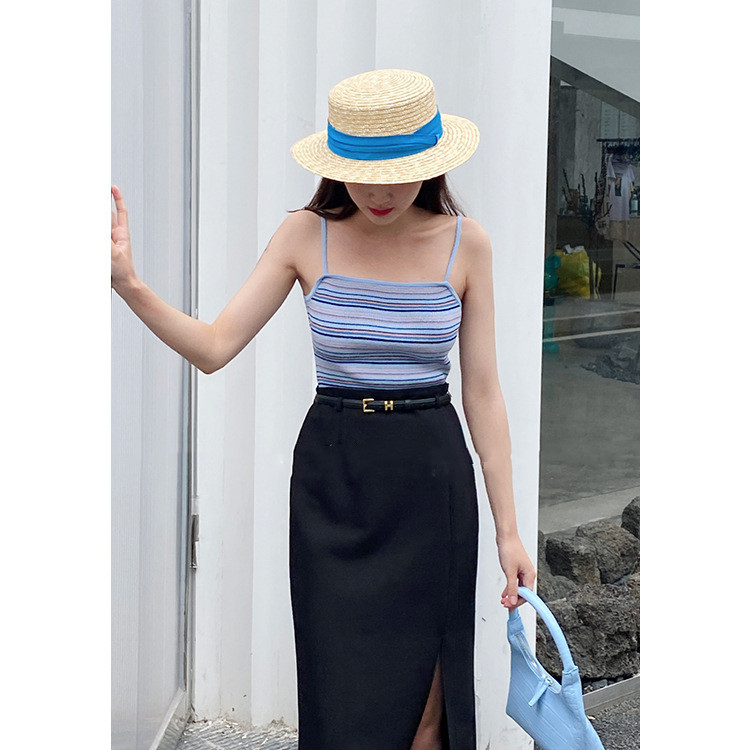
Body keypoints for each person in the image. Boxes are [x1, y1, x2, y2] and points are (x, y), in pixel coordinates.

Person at [111, 68, 536, 750]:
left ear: (431, 164)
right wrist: (129, 284)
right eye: (363, 174)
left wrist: (508, 531)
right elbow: (215, 347)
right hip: (333, 482)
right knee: (339, 693)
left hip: (431, 484)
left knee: (427, 715)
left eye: (397, 173)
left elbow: (483, 392)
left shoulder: (468, 243)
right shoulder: (304, 235)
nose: (379, 192)